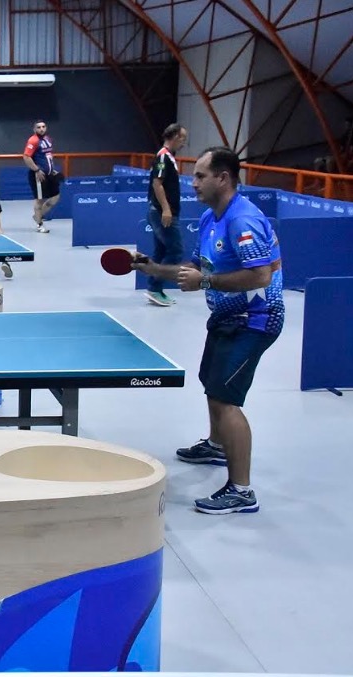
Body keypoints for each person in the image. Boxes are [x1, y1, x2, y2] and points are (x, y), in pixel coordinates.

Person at [132, 147, 284, 515]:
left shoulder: (241, 221)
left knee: (226, 398)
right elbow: (195, 268)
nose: (193, 183)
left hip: (256, 319)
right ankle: (217, 445)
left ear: (224, 178)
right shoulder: (210, 218)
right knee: (211, 382)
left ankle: (242, 490)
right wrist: (154, 269)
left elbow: (261, 275)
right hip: (227, 318)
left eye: (200, 176)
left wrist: (206, 283)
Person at [144, 123, 188, 306]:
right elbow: (157, 184)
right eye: (183, 138)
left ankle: (156, 289)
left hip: (161, 212)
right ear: (175, 136)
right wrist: (167, 209)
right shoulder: (163, 157)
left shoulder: (169, 157)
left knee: (161, 250)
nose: (184, 143)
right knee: (175, 250)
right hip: (162, 213)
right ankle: (154, 288)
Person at [22, 119, 62, 233]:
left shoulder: (48, 139)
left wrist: (52, 170)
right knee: (39, 200)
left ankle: (37, 216)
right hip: (39, 175)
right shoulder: (33, 140)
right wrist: (37, 169)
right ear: (34, 129)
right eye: (39, 127)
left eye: (43, 126)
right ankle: (40, 225)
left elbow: (48, 156)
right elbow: (26, 157)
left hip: (50, 174)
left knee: (55, 197)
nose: (41, 129)